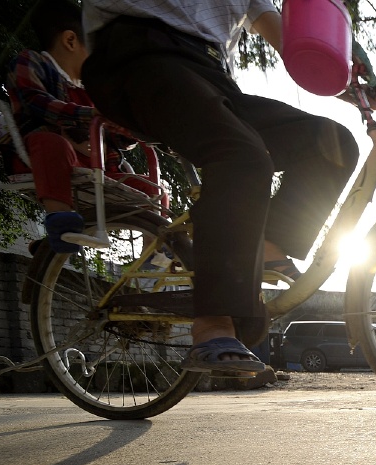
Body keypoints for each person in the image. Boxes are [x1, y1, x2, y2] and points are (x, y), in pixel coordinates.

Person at [79, 0, 361, 374]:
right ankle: (212, 323)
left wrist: (352, 80)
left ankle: (270, 244)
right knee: (241, 158)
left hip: (210, 71)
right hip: (139, 55)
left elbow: (283, 33)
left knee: (334, 145)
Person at [5, 0, 154, 254]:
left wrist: (128, 129)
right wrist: (91, 115)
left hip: (96, 166)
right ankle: (61, 222)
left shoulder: (92, 90)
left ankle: (154, 248)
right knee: (51, 143)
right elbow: (35, 103)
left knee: (151, 187)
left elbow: (115, 137)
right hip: (45, 157)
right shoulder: (32, 63)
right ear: (71, 41)